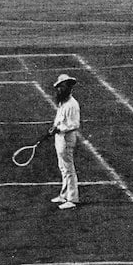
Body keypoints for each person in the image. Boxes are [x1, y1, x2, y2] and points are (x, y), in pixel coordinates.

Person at [48, 74, 81, 209]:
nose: (59, 90)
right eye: (59, 87)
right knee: (62, 167)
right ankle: (64, 194)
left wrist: (59, 129)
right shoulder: (63, 102)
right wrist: (54, 127)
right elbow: (59, 118)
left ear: (68, 87)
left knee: (68, 168)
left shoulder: (72, 105)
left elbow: (74, 125)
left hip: (66, 139)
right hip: (60, 137)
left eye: (62, 87)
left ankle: (72, 199)